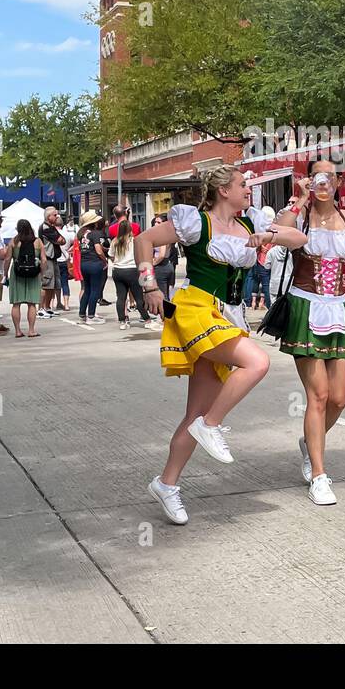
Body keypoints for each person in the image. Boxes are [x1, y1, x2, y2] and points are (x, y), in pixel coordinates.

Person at [134, 165, 272, 526]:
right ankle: (213, 425)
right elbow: (143, 241)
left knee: (193, 414)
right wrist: (149, 285)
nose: (248, 190)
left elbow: (295, 238)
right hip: (198, 308)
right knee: (257, 363)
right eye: (243, 184)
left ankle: (166, 484)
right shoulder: (195, 222)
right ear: (223, 190)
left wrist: (292, 213)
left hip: (229, 314)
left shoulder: (247, 226)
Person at [271, 161, 345, 506]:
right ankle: (319, 475)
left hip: (338, 308)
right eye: (318, 176)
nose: (325, 182)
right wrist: (299, 198)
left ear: (338, 182)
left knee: (339, 399)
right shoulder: (300, 216)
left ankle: (310, 441)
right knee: (318, 396)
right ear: (310, 180)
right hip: (306, 307)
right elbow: (278, 231)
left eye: (331, 176)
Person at [109, 218, 153, 330]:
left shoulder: (115, 241)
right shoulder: (134, 241)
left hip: (118, 271)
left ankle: (122, 321)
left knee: (121, 297)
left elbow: (111, 255)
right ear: (130, 229)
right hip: (132, 270)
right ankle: (147, 319)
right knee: (138, 297)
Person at [7, 218, 43, 338]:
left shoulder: (13, 242)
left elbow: (7, 259)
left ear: (18, 229)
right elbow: (44, 260)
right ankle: (31, 330)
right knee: (31, 304)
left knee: (16, 304)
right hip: (33, 273)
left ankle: (17, 331)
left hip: (17, 274)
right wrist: (41, 273)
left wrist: (4, 273)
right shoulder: (37, 242)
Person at [73, 210, 109, 325]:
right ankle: (91, 316)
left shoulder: (81, 234)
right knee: (95, 290)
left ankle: (82, 315)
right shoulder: (95, 233)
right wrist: (105, 260)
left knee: (87, 289)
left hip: (84, 263)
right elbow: (98, 250)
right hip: (95, 263)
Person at [246, 205, 276, 311]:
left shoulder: (259, 227)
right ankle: (267, 305)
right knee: (266, 284)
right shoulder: (272, 228)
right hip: (268, 260)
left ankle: (251, 302)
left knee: (253, 280)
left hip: (259, 259)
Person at [38, 207, 65, 318]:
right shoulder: (46, 228)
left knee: (52, 285)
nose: (57, 217)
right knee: (46, 284)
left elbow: (62, 240)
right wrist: (60, 239)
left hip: (53, 259)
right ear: (49, 216)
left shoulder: (51, 227)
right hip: (47, 259)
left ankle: (47, 307)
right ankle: (41, 309)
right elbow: (61, 240)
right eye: (55, 215)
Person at [151, 213, 178, 300]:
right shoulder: (168, 234)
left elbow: (161, 255)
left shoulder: (162, 236)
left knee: (163, 297)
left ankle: (166, 313)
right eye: (155, 222)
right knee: (166, 295)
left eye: (159, 222)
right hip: (167, 265)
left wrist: (153, 263)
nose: (155, 224)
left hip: (162, 266)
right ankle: (167, 313)